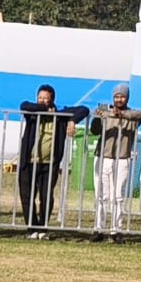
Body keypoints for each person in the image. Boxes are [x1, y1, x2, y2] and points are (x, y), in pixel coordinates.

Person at [18, 84, 90, 239]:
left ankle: (43, 228)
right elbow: (24, 105)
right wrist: (42, 109)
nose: (42, 101)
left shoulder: (60, 115)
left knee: (45, 196)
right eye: (40, 97)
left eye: (46, 98)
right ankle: (32, 228)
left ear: (52, 99)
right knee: (27, 195)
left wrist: (72, 121)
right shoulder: (31, 113)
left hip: (49, 163)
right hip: (29, 162)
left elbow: (84, 110)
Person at [90, 83, 141, 243]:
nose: (119, 99)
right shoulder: (106, 113)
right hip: (103, 157)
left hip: (122, 158)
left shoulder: (132, 115)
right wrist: (98, 116)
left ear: (127, 97)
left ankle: (116, 230)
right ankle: (98, 229)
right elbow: (94, 131)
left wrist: (122, 115)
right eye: (116, 96)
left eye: (122, 96)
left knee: (118, 196)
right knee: (101, 195)